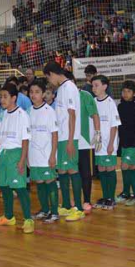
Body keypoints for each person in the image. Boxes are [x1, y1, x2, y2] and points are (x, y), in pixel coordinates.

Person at [0, 83, 34, 234]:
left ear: (14, 98)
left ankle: (28, 219)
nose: (2, 100)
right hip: (3, 153)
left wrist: (22, 160)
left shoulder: (22, 115)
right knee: (4, 185)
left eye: (5, 97)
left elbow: (25, 140)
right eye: (1, 96)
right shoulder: (2, 114)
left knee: (20, 187)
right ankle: (9, 216)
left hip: (16, 153)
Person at [44, 62, 84, 221]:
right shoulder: (61, 89)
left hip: (69, 137)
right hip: (61, 137)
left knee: (72, 170)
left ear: (52, 74)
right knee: (62, 170)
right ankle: (67, 206)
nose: (50, 82)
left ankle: (79, 208)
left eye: (49, 78)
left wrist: (69, 140)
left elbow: (72, 115)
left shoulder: (69, 88)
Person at [28, 78, 59, 222]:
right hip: (33, 155)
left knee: (49, 182)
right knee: (39, 182)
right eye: (31, 92)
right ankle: (44, 209)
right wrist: (27, 156)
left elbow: (54, 134)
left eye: (37, 92)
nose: (33, 95)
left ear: (43, 94)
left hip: (47, 155)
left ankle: (54, 212)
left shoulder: (49, 111)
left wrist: (53, 155)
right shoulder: (28, 112)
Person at [91, 75, 120, 210]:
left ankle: (111, 197)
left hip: (109, 142)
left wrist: (111, 144)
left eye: (96, 85)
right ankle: (105, 196)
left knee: (109, 168)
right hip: (98, 142)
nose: (94, 88)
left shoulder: (110, 103)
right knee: (101, 168)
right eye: (92, 86)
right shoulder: (93, 102)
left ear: (104, 86)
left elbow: (114, 125)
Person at [76, 72, 100, 213]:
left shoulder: (85, 96)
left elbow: (94, 115)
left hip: (84, 142)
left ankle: (86, 200)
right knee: (74, 173)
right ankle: (77, 201)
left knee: (85, 173)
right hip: (69, 142)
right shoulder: (62, 96)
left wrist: (97, 134)